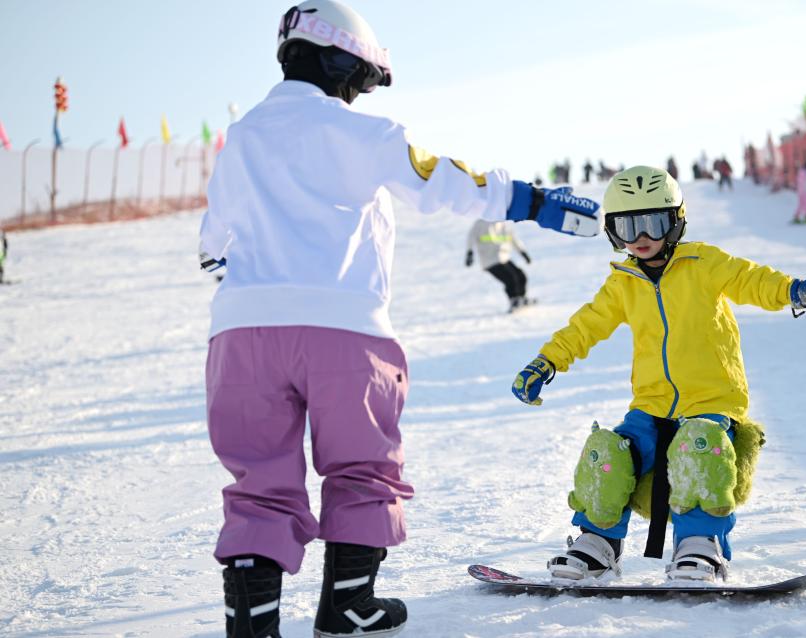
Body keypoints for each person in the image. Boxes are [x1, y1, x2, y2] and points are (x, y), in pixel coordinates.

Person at [198, 2, 600, 636]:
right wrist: (535, 201)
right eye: (360, 79)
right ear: (341, 63)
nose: (359, 94)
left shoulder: (242, 136)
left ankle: (252, 626)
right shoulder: (362, 134)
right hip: (344, 330)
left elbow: (212, 240)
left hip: (242, 334)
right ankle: (349, 607)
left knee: (258, 479)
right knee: (360, 465)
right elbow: (443, 179)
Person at [510, 166, 806, 584]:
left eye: (653, 223)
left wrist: (792, 290)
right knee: (607, 452)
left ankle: (700, 546)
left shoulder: (704, 263)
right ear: (612, 231)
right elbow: (584, 327)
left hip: (711, 403)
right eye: (627, 226)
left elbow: (752, 280)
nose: (640, 236)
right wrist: (547, 361)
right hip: (651, 406)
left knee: (700, 446)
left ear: (675, 221)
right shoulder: (623, 282)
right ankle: (597, 544)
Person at [465, 219, 533, 312]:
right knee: (510, 278)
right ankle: (514, 300)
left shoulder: (503, 223)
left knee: (521, 275)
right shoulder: (481, 223)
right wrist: (470, 252)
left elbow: (513, 238)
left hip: (503, 257)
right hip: (490, 260)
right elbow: (471, 237)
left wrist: (523, 252)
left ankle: (521, 298)